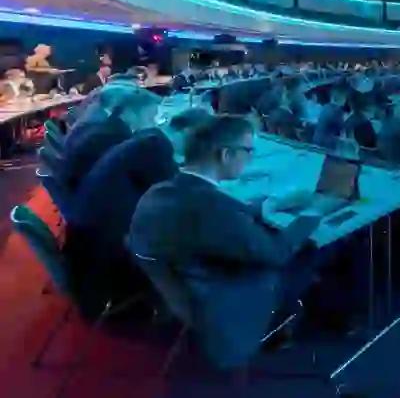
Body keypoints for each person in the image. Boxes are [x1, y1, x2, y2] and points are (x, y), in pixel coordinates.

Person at [129, 115, 324, 369]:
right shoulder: (213, 208)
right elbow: (275, 252)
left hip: (189, 291)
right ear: (225, 155)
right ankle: (294, 324)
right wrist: (313, 214)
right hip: (226, 302)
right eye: (248, 151)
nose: (250, 158)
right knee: (310, 250)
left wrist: (270, 203)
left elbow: (226, 220)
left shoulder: (161, 191)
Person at [63, 107, 213, 316]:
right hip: (109, 260)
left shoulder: (149, 139)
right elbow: (179, 199)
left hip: (90, 246)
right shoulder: (155, 147)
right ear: (188, 132)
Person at [62, 89, 161, 191]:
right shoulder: (118, 138)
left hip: (81, 190)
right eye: (151, 118)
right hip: (98, 199)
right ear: (131, 113)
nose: (153, 123)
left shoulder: (106, 128)